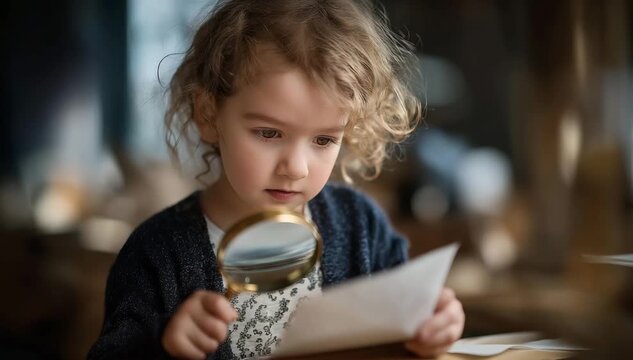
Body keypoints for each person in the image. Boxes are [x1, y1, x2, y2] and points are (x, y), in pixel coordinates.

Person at [88, 0, 465, 359]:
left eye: (323, 139)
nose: (296, 167)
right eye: (268, 133)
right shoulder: (158, 253)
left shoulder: (359, 228)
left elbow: (401, 329)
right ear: (207, 115)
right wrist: (165, 345)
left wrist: (430, 327)